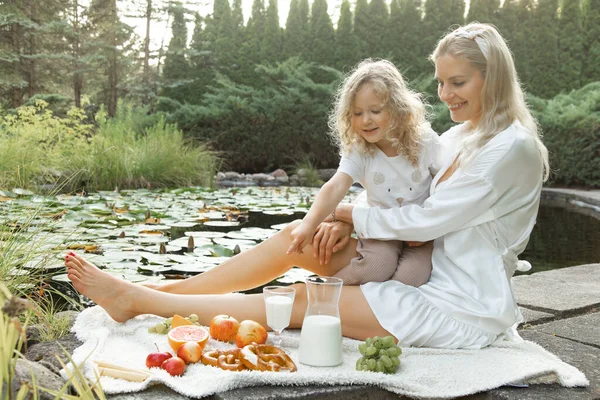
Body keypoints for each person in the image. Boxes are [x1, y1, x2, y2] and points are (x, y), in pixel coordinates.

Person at [64, 22, 549, 349]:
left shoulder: (513, 148)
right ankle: (168, 289)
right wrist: (344, 221)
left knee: (301, 302)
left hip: (457, 304)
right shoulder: (460, 134)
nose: (445, 94)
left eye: (458, 83)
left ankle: (142, 301)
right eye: (441, 82)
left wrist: (347, 215)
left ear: (494, 78)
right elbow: (411, 193)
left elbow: (428, 221)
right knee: (297, 239)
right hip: (416, 261)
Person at [287, 59, 444, 287]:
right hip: (378, 227)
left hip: (418, 233)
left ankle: (382, 315)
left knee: (410, 278)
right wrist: (308, 224)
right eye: (357, 113)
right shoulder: (359, 150)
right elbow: (336, 185)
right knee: (376, 267)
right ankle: (321, 293)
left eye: (375, 111)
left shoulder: (425, 141)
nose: (366, 120)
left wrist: (431, 228)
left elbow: (446, 183)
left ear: (398, 108)